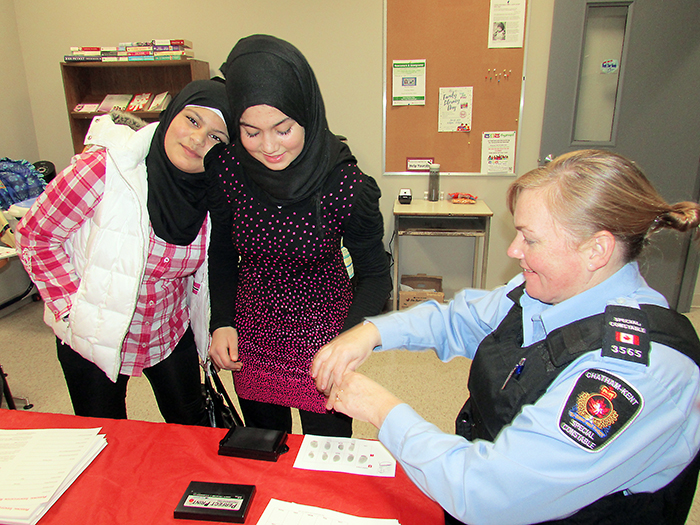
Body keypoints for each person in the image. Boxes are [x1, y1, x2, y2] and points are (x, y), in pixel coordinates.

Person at [312, 149, 700, 524]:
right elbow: (459, 321)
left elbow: (486, 491)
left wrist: (381, 408)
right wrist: (372, 331)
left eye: (530, 239)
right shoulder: (543, 291)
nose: (514, 250)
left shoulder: (635, 372)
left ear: (596, 250)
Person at [205, 34, 391, 437]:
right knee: (264, 447)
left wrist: (350, 338)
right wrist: (221, 321)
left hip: (326, 330)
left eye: (283, 129)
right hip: (253, 329)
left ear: (306, 113)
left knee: (327, 452)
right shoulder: (229, 170)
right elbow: (220, 252)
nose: (268, 147)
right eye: (251, 132)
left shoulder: (346, 185)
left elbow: (375, 273)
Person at [15, 80, 232, 425]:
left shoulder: (216, 194)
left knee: (192, 426)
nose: (197, 140)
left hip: (167, 329)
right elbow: (35, 237)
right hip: (93, 331)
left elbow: (214, 271)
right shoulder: (105, 168)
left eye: (216, 137)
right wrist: (73, 309)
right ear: (171, 114)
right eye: (192, 120)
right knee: (106, 433)